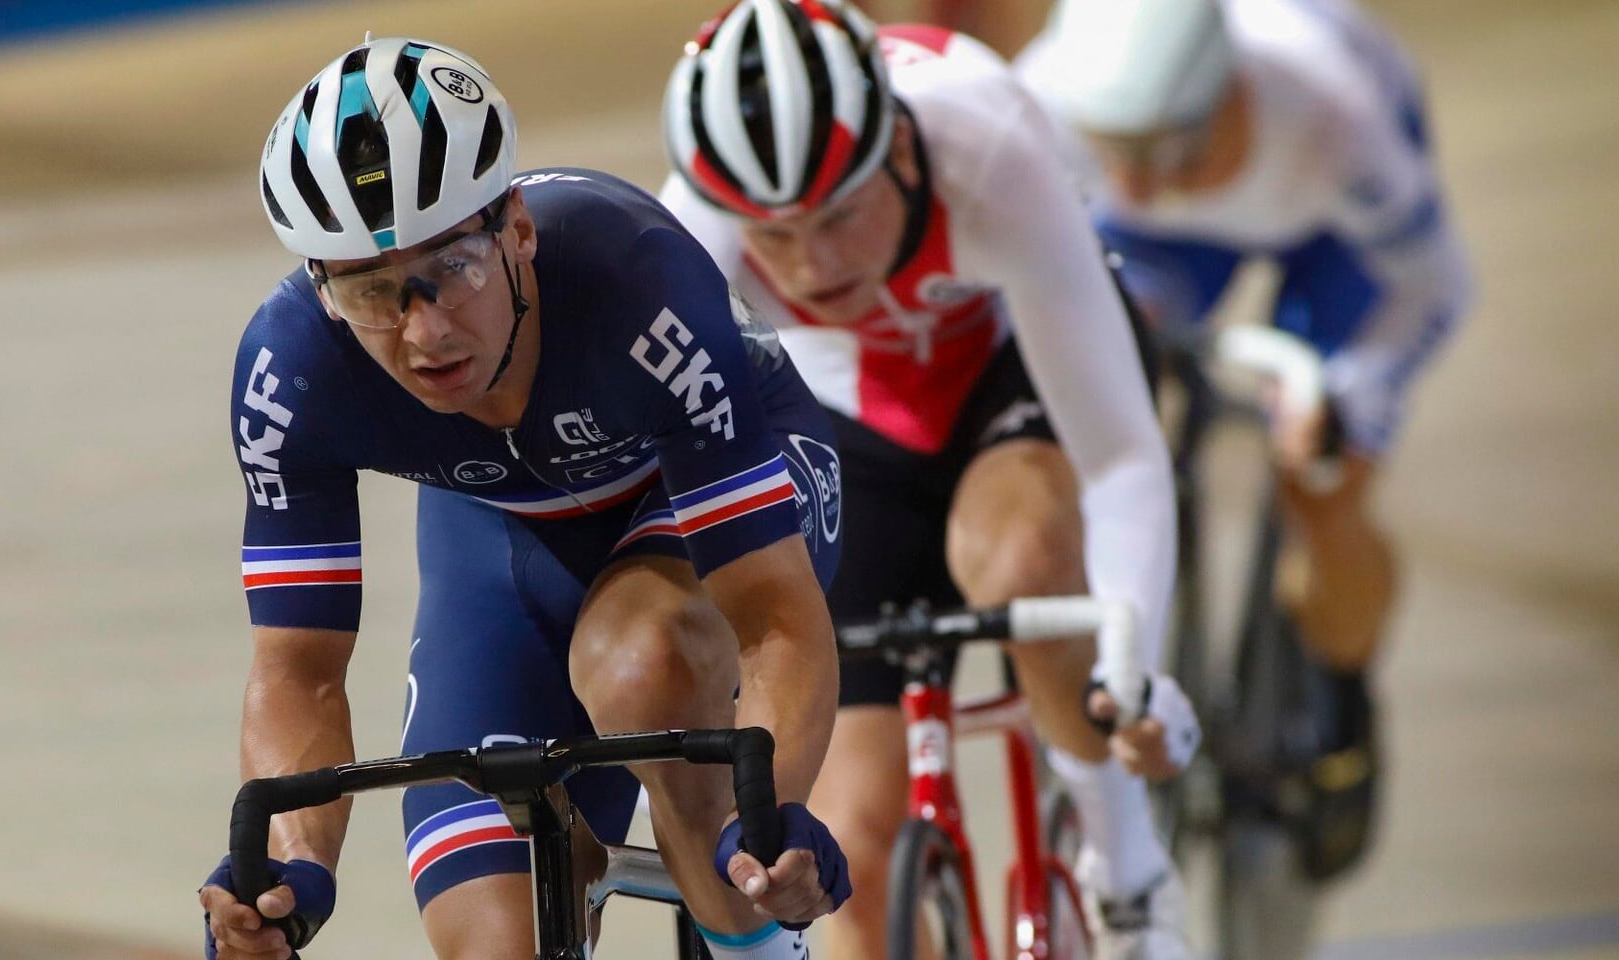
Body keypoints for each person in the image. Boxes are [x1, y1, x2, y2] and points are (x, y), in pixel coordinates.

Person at [197, 36, 856, 960]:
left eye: (454, 267)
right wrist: (289, 873)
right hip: (504, 539)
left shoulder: (640, 284)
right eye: (373, 290)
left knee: (642, 662)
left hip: (697, 491)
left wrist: (771, 817)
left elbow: (774, 620)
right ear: (322, 287)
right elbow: (297, 670)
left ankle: (752, 940)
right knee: (492, 944)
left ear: (517, 231)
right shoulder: (290, 371)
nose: (424, 330)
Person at [659, 3, 1200, 957]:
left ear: (901, 153)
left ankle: (1128, 872)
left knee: (1022, 556)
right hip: (850, 408)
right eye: (772, 238)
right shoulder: (685, 237)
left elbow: (1118, 456)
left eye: (836, 215)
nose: (810, 264)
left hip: (1012, 365)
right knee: (847, 857)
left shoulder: (987, 147)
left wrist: (1133, 666)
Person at [1019, 0, 1471, 878]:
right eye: (1116, 148)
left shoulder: (1332, 111)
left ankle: (1343, 704)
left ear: (1227, 95)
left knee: (1322, 481)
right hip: (1166, 246)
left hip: (1336, 238)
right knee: (1089, 404)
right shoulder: (1047, 96)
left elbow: (1434, 285)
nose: (1138, 179)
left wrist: (1349, 399)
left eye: (1163, 148)